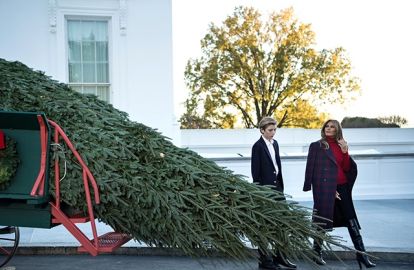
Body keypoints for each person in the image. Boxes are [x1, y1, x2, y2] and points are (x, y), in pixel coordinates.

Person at [303, 119, 376, 269]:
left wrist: (345, 151)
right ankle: (316, 253)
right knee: (321, 221)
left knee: (351, 220)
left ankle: (362, 255)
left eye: (332, 127)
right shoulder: (317, 146)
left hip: (342, 188)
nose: (329, 129)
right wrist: (327, 189)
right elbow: (312, 171)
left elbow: (346, 167)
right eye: (327, 126)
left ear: (337, 130)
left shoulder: (341, 145)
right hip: (325, 188)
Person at [251, 117, 296, 270]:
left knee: (284, 223)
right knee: (265, 226)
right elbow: (255, 173)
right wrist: (259, 193)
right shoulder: (257, 147)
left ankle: (281, 257)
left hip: (278, 190)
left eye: (275, 130)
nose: (273, 133)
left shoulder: (275, 144)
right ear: (262, 130)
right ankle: (264, 261)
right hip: (264, 191)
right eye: (270, 130)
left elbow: (276, 165)